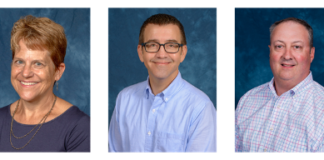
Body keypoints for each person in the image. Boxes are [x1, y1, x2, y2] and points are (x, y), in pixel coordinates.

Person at [107, 13, 218, 153]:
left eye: (171, 45)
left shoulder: (200, 108)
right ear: (141, 52)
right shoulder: (124, 99)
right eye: (152, 45)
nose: (161, 54)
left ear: (182, 53)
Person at [0, 15, 91, 153]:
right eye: (19, 61)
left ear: (58, 72)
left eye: (38, 64)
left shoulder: (80, 128)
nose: (26, 73)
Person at [233, 17, 324, 153]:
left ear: (311, 53)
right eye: (279, 46)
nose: (287, 55)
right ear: (270, 51)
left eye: (296, 47)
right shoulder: (247, 100)